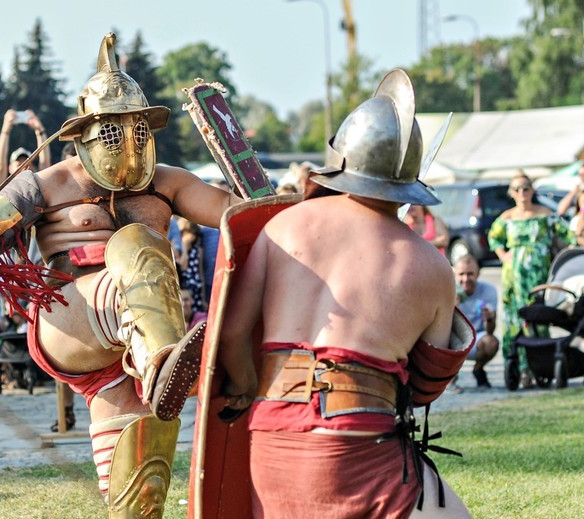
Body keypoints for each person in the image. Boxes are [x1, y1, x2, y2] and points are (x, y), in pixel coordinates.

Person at [0, 32, 240, 515]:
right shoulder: (46, 184)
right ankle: (162, 367)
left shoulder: (167, 180)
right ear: (86, 131)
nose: (127, 139)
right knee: (135, 244)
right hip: (72, 318)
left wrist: (270, 194)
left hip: (137, 340)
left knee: (138, 486)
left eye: (136, 127)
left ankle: (160, 372)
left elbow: (235, 213)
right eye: (113, 128)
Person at [216, 69, 473, 517]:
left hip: (270, 445)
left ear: (341, 157)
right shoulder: (432, 266)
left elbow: (233, 332)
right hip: (357, 448)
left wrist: (242, 385)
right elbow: (427, 386)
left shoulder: (283, 227)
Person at [488, 171, 575, 387]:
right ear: (511, 193)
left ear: (532, 190)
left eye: (525, 188)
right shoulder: (507, 217)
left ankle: (540, 367)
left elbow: (568, 235)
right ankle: (521, 370)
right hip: (513, 277)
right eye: (517, 189)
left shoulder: (545, 214)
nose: (522, 193)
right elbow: (493, 237)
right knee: (515, 320)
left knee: (537, 317)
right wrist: (503, 254)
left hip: (537, 275)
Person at [454, 254, 500, 388]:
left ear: (478, 274)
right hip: (453, 339)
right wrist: (452, 307)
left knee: (491, 343)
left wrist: (489, 319)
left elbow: (490, 331)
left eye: (470, 274)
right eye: (461, 274)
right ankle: (450, 379)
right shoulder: (449, 290)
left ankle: (478, 369)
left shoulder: (488, 290)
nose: (465, 279)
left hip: (476, 338)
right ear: (455, 274)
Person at [0, 109, 51, 186]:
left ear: (32, 168)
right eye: (19, 165)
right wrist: (5, 130)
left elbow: (45, 162)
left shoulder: (38, 186)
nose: (23, 168)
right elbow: (0, 164)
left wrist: (40, 130)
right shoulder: (4, 187)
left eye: (27, 165)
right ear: (10, 168)